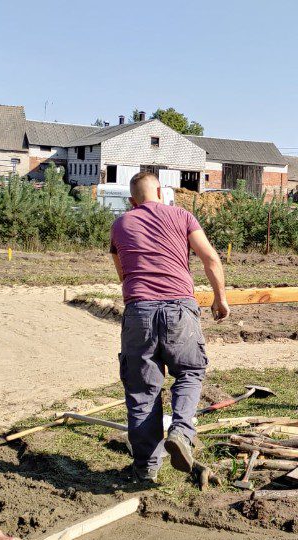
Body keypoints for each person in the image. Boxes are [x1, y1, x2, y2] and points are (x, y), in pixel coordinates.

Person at [110, 172, 230, 484]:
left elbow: (122, 272)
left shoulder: (121, 223)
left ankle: (145, 470)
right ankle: (180, 432)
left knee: (142, 392)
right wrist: (220, 298)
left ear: (131, 200)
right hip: (180, 309)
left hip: (139, 312)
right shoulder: (182, 216)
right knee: (190, 372)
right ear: (161, 192)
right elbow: (210, 259)